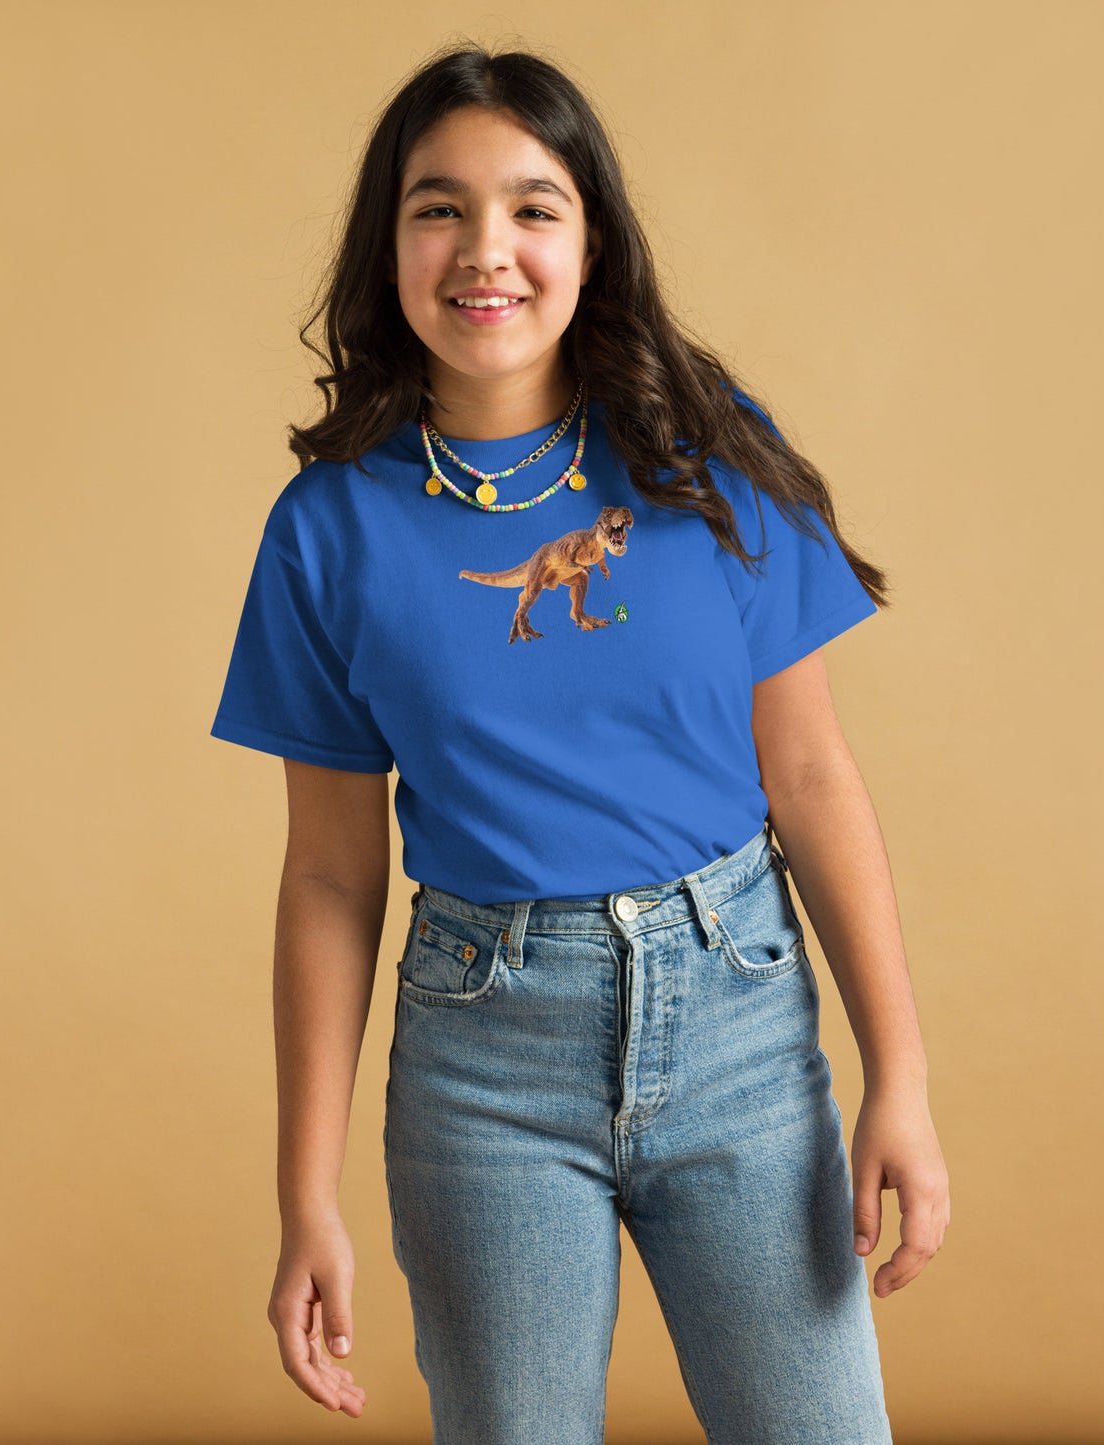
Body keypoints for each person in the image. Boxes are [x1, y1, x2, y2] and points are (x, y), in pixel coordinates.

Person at [209, 41, 949, 1444]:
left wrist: (896, 1075)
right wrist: (305, 1193)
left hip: (736, 1013)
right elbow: (328, 876)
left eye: (532, 207)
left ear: (591, 241)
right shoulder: (326, 530)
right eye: (439, 207)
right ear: (389, 243)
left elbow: (808, 777)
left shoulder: (704, 461)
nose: (485, 248)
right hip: (484, 1056)